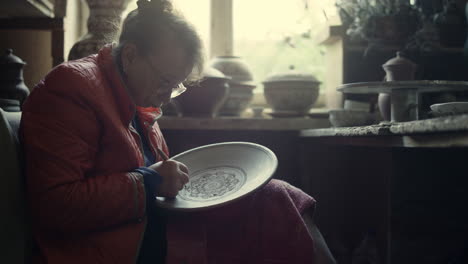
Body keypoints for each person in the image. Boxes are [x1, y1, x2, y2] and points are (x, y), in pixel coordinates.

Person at [20, 0, 335, 263]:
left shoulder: (131, 95)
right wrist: (152, 181)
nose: (168, 96)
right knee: (273, 204)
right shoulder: (72, 87)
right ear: (130, 56)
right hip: (110, 246)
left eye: (176, 85)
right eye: (165, 81)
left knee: (279, 198)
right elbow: (57, 206)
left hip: (142, 228)